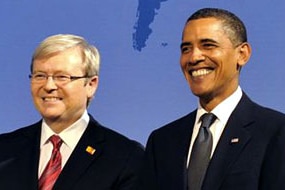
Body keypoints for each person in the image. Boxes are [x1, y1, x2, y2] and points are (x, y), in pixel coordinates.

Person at [139, 8, 285, 190]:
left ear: (242, 54)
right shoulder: (162, 142)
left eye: (208, 45)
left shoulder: (275, 132)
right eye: (186, 48)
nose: (194, 57)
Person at [0, 34, 144, 190]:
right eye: (40, 76)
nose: (49, 86)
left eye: (62, 76)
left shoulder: (125, 157)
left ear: (91, 85)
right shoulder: (5, 148)